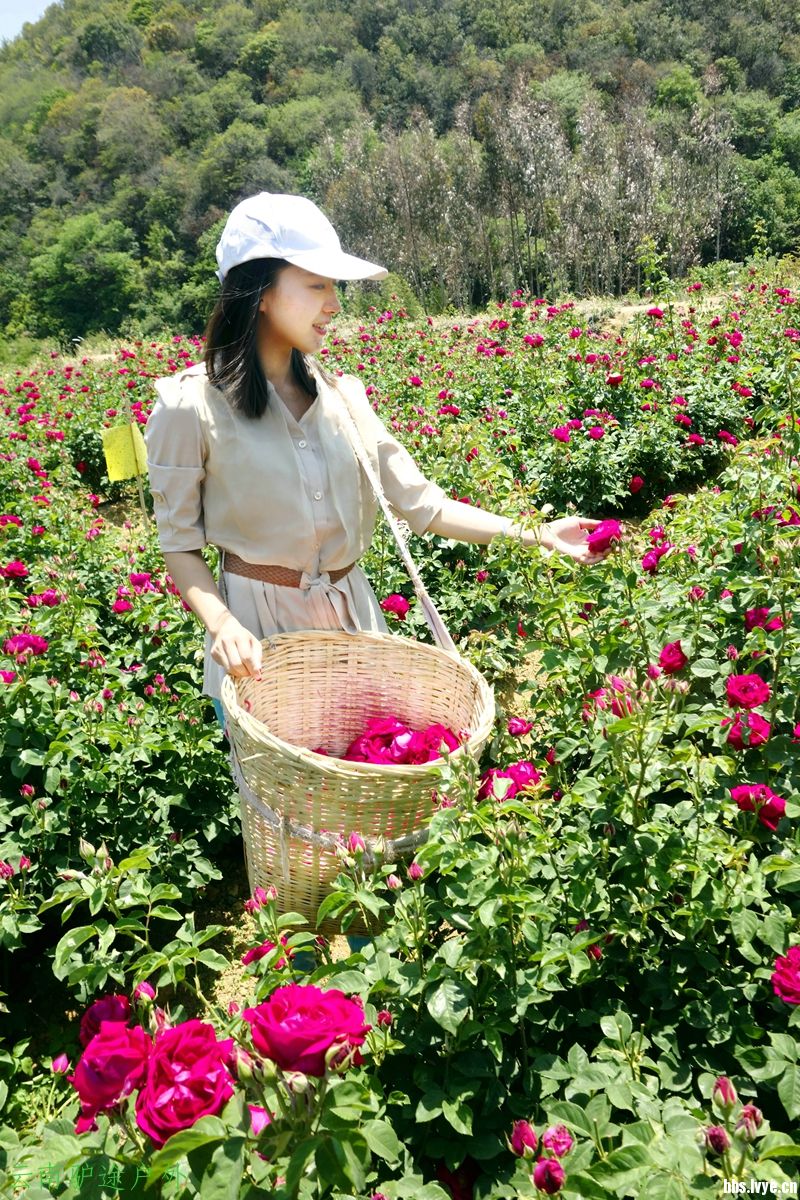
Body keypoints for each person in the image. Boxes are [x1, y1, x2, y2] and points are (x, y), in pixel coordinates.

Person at [145, 192, 608, 720]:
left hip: (355, 632)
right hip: (260, 649)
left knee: (374, 790)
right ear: (260, 292)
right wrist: (222, 625)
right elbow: (179, 542)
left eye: (334, 287)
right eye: (316, 284)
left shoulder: (345, 398)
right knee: (285, 801)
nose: (334, 303)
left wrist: (538, 533)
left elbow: (423, 506)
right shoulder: (190, 406)